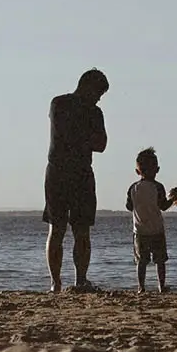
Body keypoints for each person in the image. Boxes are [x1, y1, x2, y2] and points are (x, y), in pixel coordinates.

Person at [43, 68, 109, 292]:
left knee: (80, 230)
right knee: (58, 228)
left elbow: (101, 144)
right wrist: (86, 137)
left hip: (78, 172)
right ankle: (57, 282)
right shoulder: (60, 104)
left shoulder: (92, 112)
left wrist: (82, 138)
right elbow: (81, 138)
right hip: (62, 172)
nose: (99, 99)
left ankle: (78, 279)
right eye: (98, 93)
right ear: (88, 87)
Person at [124, 146, 177, 293]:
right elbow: (163, 206)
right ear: (157, 169)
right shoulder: (158, 187)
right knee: (160, 261)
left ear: (137, 171)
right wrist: (173, 198)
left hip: (139, 231)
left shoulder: (133, 188)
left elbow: (129, 207)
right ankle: (161, 286)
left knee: (141, 261)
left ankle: (141, 287)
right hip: (156, 230)